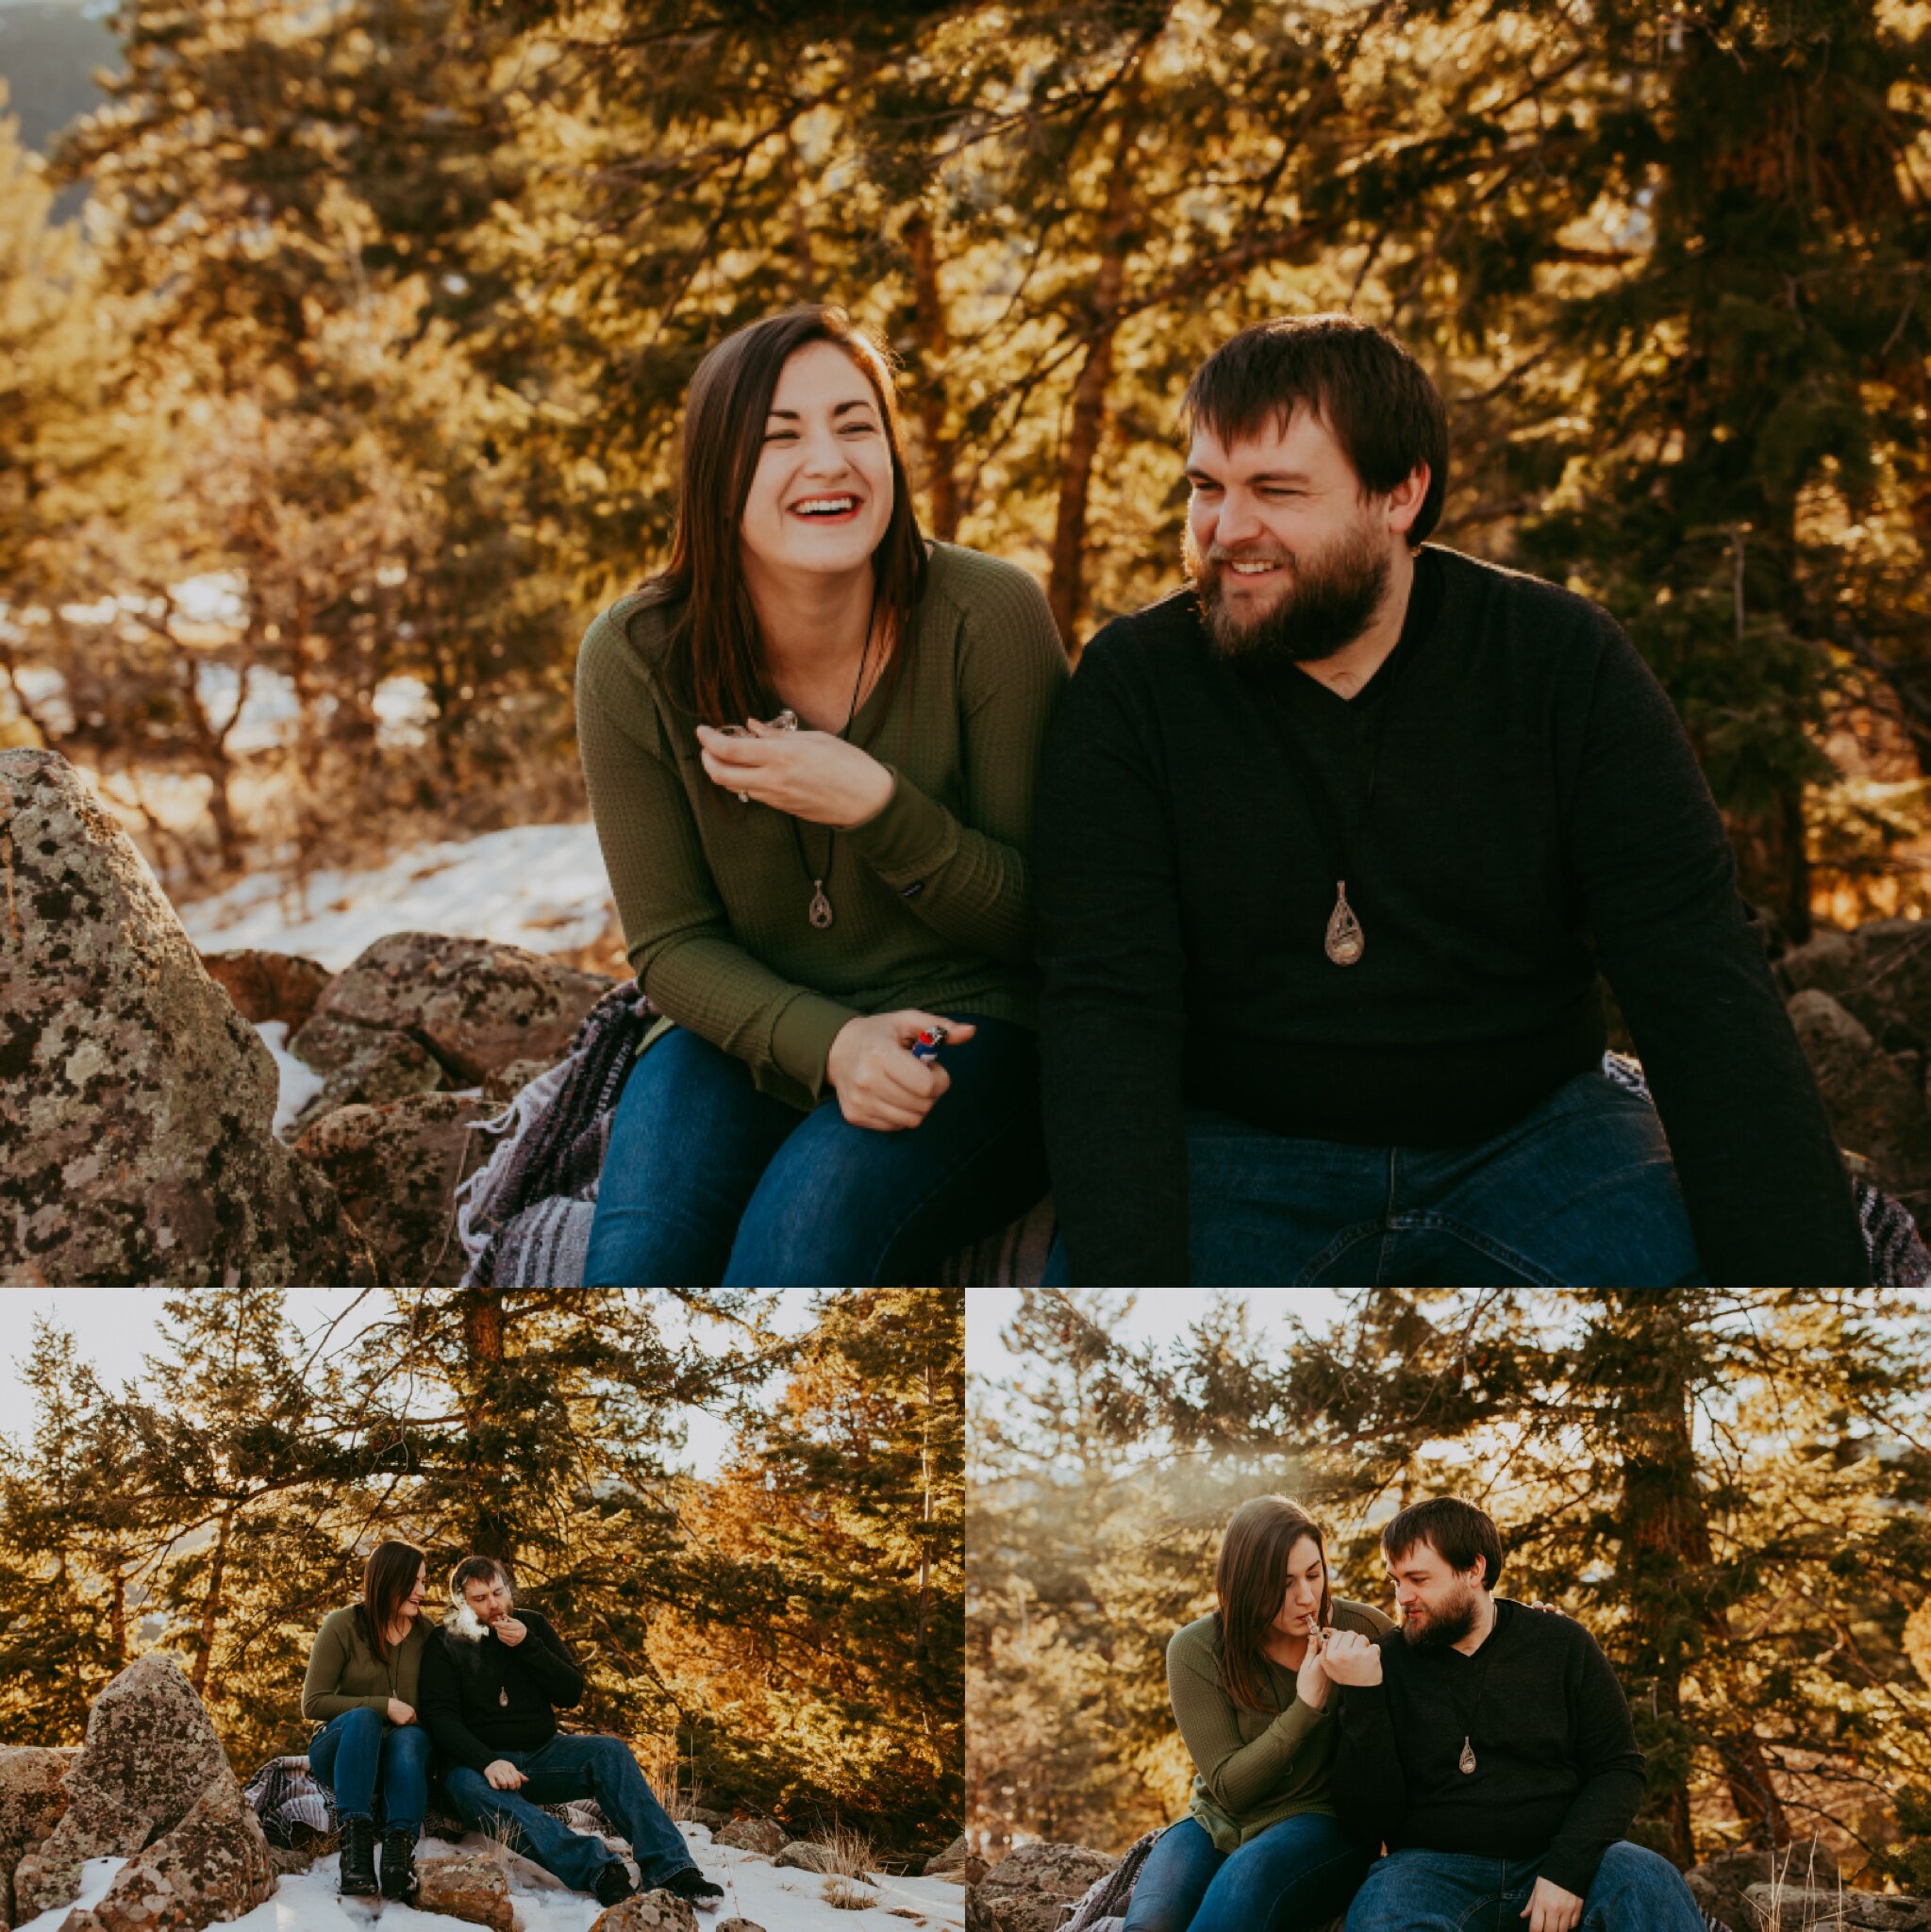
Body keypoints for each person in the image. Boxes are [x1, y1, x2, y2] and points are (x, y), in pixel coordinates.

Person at [1033, 311, 1868, 1288]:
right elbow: (1102, 1006)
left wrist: (1809, 1305)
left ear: (1400, 492)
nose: (1226, 530)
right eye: (1206, 487)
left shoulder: (1559, 661)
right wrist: (1121, 1302)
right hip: (1242, 1150)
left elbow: (1697, 976)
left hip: (1534, 1140)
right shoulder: (1137, 683)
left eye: (1276, 490)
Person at [576, 303, 1068, 1288]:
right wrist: (829, 1041)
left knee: (800, 1239)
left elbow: (1047, 922)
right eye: (778, 437)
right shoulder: (634, 657)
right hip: (738, 1029)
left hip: (974, 1026)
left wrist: (881, 810)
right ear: (716, 477)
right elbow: (670, 944)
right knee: (635, 1263)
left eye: (855, 424)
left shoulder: (990, 616)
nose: (829, 461)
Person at [1320, 1497, 1706, 1932]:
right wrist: (1364, 1697)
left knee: (1647, 1881)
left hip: (1555, 1856)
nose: (1402, 1596)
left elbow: (1618, 1767)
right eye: (1396, 1580)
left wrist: (1566, 1871)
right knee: (1382, 1918)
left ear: (1474, 1570)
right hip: (1430, 1872)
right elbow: (1368, 1820)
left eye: (1419, 1579)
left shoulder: (1560, 1644)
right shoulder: (1383, 1663)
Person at [1125, 1497, 1390, 1932]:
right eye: (1283, 1582)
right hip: (1217, 1821)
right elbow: (1229, 1789)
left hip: (1322, 1822)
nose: (1306, 1596)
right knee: (1151, 1923)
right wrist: (1305, 1708)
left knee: (1243, 1884)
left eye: (1314, 1573)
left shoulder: (1364, 1629)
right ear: (1245, 1583)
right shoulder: (1196, 1649)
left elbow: (1438, 1668)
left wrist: (1517, 1624)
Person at [416, 1555, 723, 1909]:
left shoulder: (533, 1626)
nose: (494, 1604)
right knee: (464, 1786)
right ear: (461, 1603)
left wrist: (529, 1645)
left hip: (542, 1756)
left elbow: (570, 1693)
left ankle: (672, 1870)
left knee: (609, 1752)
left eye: (498, 1592)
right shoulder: (444, 1642)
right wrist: (487, 1762)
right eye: (480, 1599)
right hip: (477, 1768)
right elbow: (441, 1718)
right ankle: (598, 1871)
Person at [302, 1540, 434, 1901]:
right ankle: (356, 1855)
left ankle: (396, 1860)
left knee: (412, 1738)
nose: (423, 1591)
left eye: (425, 1581)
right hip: (345, 1750)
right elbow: (313, 1702)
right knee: (363, 1719)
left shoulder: (427, 1634)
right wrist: (383, 1705)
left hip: (400, 1761)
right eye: (416, 1582)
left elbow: (440, 1705)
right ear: (390, 1579)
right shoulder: (342, 1624)